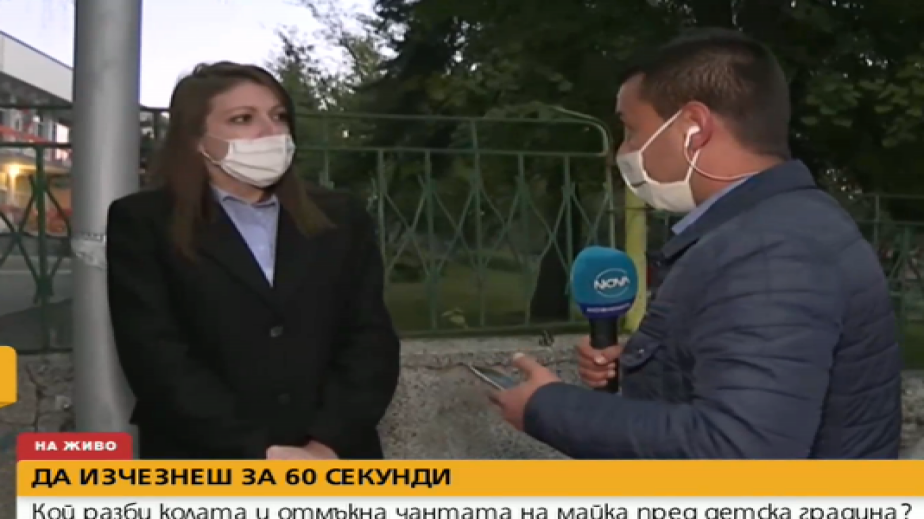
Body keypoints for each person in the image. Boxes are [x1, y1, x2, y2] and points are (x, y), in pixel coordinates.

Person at [490, 28, 902, 459]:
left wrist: (548, 409)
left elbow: (739, 451)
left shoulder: (771, 250)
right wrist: (652, 364)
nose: (623, 152)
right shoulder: (782, 226)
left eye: (631, 130)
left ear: (693, 127)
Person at [106, 62, 400, 460]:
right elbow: (155, 356)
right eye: (243, 119)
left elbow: (370, 339)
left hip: (334, 458)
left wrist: (326, 444)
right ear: (196, 138)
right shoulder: (143, 222)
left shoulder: (340, 217)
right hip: (206, 460)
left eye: (279, 116)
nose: (271, 130)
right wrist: (261, 454)